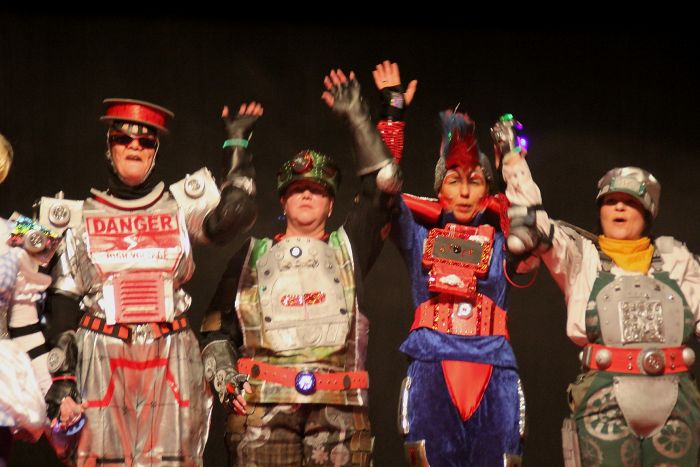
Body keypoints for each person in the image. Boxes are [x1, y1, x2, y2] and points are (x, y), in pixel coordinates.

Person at [39, 98, 260, 465]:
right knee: (99, 459)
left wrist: (236, 145)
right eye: (123, 139)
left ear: (155, 152)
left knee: (172, 459)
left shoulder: (178, 207)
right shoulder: (79, 218)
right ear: (109, 147)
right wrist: (63, 378)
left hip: (169, 353)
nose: (134, 147)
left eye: (145, 142)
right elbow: (61, 298)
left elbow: (236, 213)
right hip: (103, 353)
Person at [200, 68, 401, 466]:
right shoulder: (251, 255)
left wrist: (359, 118)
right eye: (297, 189)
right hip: (262, 411)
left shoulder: (350, 247)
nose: (306, 194)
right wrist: (226, 379)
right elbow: (214, 331)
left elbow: (384, 186)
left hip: (339, 409)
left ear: (331, 203)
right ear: (283, 201)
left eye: (317, 190)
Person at [372, 61, 531, 466]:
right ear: (438, 188)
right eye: (453, 180)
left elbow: (530, 218)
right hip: (431, 366)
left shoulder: (504, 239)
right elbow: (383, 189)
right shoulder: (418, 236)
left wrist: (512, 157)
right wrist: (393, 113)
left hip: (494, 368)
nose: (463, 192)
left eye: (474, 181)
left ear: (487, 190)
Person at [510, 165, 700, 466]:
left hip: (677, 400)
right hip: (603, 401)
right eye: (611, 201)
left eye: (630, 201)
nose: (619, 207)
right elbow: (534, 221)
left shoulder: (676, 259)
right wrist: (513, 162)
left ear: (647, 211)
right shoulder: (580, 256)